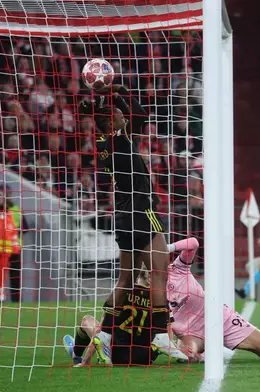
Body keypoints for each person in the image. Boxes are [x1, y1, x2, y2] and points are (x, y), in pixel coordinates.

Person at [79, 83, 171, 359]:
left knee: (126, 280)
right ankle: (163, 337)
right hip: (142, 211)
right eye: (119, 113)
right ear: (111, 120)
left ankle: (104, 334)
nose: (125, 115)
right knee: (159, 273)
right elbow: (142, 116)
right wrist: (116, 93)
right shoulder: (118, 140)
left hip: (123, 216)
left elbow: (137, 117)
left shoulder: (105, 142)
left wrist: (106, 101)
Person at [168, 238, 260, 361]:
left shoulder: (178, 268)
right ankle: (192, 348)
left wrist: (168, 248)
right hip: (191, 331)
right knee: (186, 357)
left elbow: (193, 243)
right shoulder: (151, 293)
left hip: (220, 318)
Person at [62, 270, 186, 366]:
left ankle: (76, 354)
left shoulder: (122, 294)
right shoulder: (162, 301)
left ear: (137, 274)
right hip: (146, 358)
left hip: (116, 354)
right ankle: (75, 350)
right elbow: (167, 336)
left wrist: (86, 361)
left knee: (87, 320)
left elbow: (100, 331)